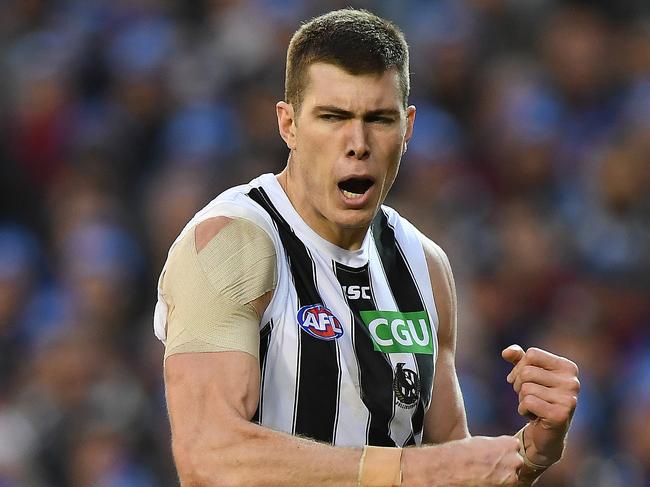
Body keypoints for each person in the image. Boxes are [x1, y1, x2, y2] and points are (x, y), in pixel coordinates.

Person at [154, 8, 580, 486]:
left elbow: (450, 472)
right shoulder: (232, 244)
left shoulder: (426, 268)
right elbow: (208, 456)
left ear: (409, 126)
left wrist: (528, 456)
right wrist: (404, 471)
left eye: (379, 119)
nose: (357, 142)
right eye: (333, 117)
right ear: (288, 124)